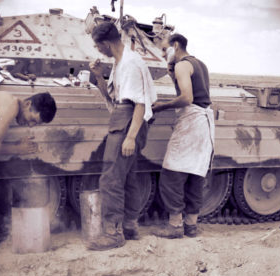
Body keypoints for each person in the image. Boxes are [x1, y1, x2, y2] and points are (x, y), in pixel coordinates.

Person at [0, 90, 57, 272]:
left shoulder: (5, 108)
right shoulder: (11, 104)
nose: (30, 126)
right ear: (28, 104)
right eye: (33, 120)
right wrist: (18, 148)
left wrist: (16, 147)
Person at [88, 21, 157, 251]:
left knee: (110, 178)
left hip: (129, 121)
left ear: (106, 44)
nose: (98, 51)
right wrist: (98, 77)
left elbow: (139, 103)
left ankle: (113, 233)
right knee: (127, 178)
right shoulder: (120, 63)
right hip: (125, 117)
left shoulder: (129, 63)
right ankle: (129, 226)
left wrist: (130, 137)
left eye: (98, 46)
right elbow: (114, 100)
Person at [152, 33, 214, 238]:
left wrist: (163, 106)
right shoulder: (199, 64)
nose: (162, 54)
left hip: (191, 120)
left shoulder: (181, 65)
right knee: (196, 173)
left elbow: (187, 97)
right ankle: (191, 226)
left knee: (172, 173)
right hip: (204, 123)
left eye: (164, 49)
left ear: (175, 45)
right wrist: (171, 73)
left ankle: (175, 226)